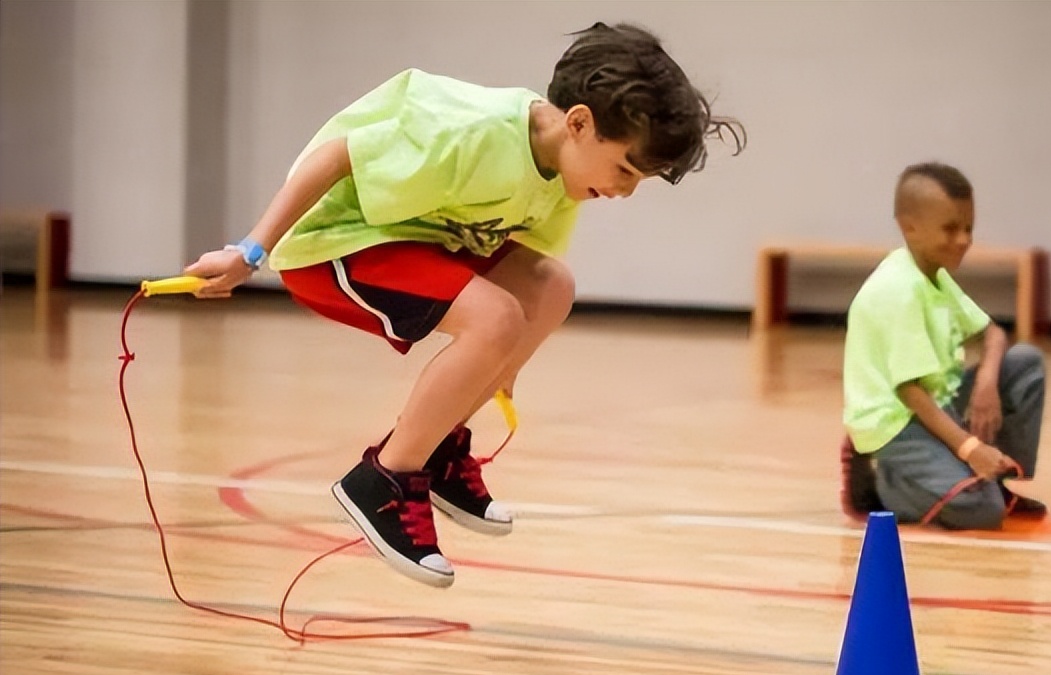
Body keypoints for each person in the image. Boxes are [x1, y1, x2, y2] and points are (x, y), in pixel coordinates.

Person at [184, 23, 744, 587]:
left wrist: (504, 364)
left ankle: (439, 450)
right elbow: (334, 157)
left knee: (553, 288)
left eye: (640, 178)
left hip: (414, 237)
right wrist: (249, 252)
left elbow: (523, 279)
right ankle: (383, 479)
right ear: (578, 122)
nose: (627, 189)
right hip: (333, 241)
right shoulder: (475, 134)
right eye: (624, 168)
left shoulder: (564, 176)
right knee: (493, 316)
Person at [841, 162, 1045, 530]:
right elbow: (912, 393)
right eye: (950, 229)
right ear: (910, 227)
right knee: (984, 512)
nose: (964, 240)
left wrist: (986, 384)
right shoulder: (898, 290)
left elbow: (994, 335)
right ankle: (880, 480)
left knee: (1025, 363)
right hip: (899, 423)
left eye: (968, 228)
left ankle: (992, 479)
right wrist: (969, 448)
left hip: (939, 405)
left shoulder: (934, 274)